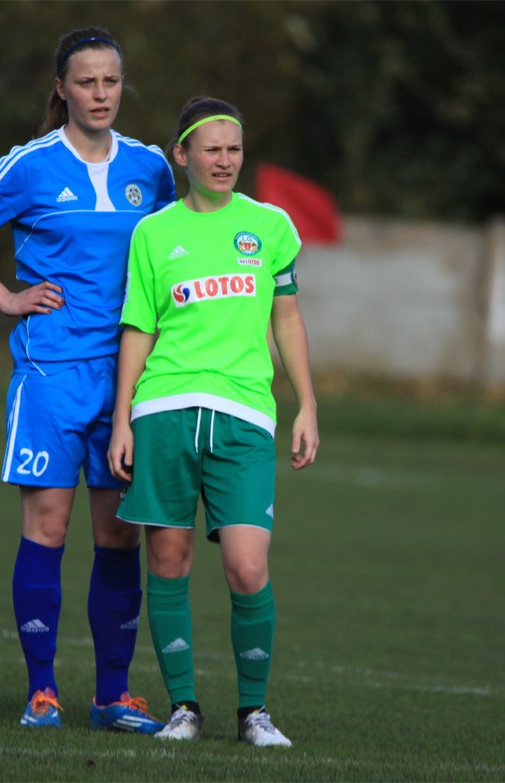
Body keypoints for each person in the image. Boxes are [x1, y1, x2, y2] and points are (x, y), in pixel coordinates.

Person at [0, 27, 176, 732]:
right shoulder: (30, 164)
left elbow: (171, 256)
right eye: (86, 82)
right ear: (61, 88)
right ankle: (43, 691)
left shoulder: (152, 168)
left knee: (118, 534)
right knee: (48, 523)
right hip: (50, 374)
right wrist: (6, 298)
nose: (101, 94)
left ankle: (112, 696)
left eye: (111, 81)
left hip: (128, 379)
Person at [108, 96, 319, 748]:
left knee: (247, 568)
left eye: (234, 149)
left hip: (245, 419)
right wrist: (122, 419)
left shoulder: (270, 226)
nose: (225, 161)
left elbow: (286, 316)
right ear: (183, 155)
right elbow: (139, 327)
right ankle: (184, 708)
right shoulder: (153, 233)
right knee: (167, 561)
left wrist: (307, 404)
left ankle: (254, 713)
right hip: (163, 411)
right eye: (212, 149)